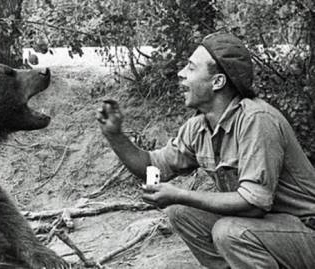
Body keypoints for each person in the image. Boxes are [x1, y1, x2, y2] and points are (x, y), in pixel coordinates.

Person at [96, 32, 315, 269]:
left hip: (306, 230)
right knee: (180, 213)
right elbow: (153, 166)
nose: (181, 74)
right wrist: (115, 136)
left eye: (191, 68)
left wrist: (180, 193)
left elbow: (253, 205)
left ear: (217, 82)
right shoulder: (199, 126)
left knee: (229, 232)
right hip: (266, 227)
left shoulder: (257, 120)